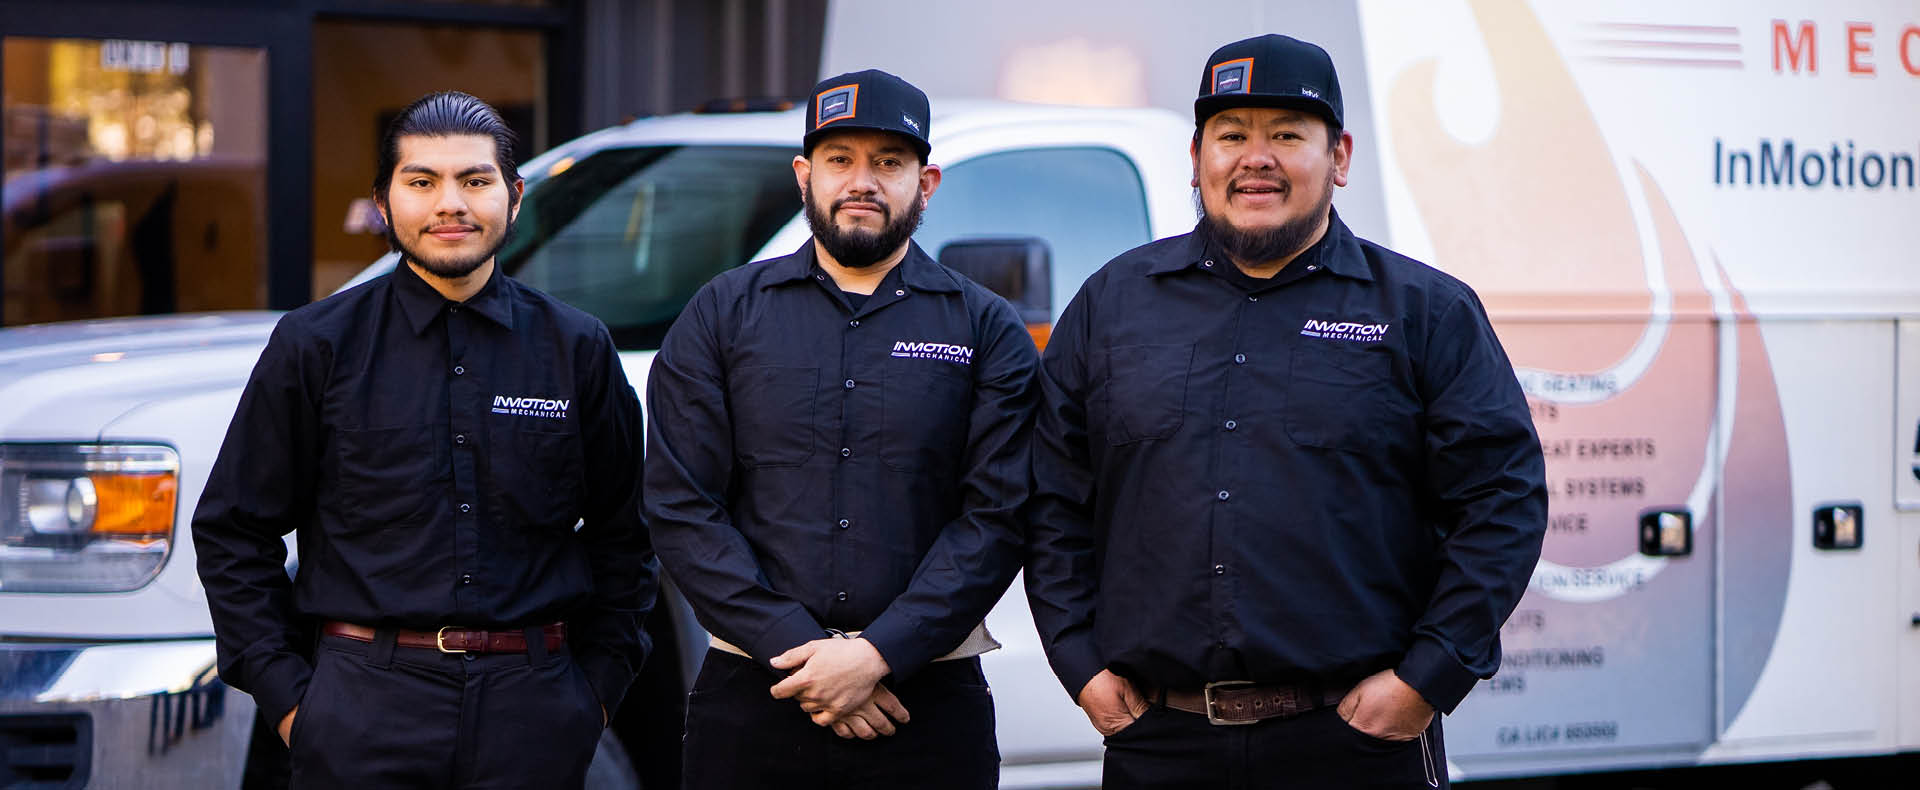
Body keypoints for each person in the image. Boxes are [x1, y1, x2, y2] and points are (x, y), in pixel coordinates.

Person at [1022, 34, 1548, 789]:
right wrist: (1078, 661)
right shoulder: (1113, 304)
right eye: (1231, 136)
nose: (1255, 158)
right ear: (1198, 156)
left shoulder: (1425, 312)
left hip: (1355, 742)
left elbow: (1503, 502)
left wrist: (1427, 679)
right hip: (1160, 742)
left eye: (1287, 135)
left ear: (1339, 157)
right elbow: (1052, 498)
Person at [193, 90, 655, 789]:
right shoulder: (315, 346)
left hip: (533, 711)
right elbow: (233, 531)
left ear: (515, 195)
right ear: (383, 201)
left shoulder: (577, 349)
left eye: (475, 180)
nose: (451, 204)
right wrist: (293, 702)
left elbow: (628, 537)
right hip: (359, 709)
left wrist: (590, 696)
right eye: (422, 182)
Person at [644, 69, 1035, 790]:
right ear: (805, 174)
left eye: (889, 162)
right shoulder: (722, 315)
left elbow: (999, 517)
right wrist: (800, 651)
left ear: (928, 182)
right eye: (840, 160)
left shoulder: (986, 328)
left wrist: (878, 654)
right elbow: (680, 505)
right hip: (752, 698)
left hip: (927, 707)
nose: (863, 180)